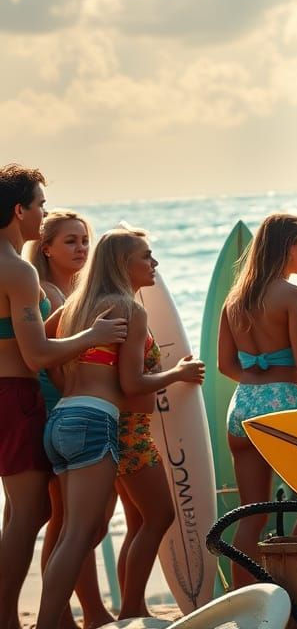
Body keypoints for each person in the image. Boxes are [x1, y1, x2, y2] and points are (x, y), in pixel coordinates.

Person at [36, 227, 204, 628]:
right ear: (122, 264)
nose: (154, 263)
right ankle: (101, 615)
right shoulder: (130, 308)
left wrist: (67, 386)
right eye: (146, 256)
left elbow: (42, 351)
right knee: (88, 534)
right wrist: (178, 373)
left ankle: (76, 617)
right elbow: (131, 385)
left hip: (63, 420)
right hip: (99, 423)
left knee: (75, 534)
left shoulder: (76, 305)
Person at [0, 165, 127, 629]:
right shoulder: (17, 271)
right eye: (39, 206)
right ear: (19, 210)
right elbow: (35, 356)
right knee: (28, 513)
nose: (43, 214)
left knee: (18, 511)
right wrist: (93, 334)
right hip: (15, 395)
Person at [218, 213, 297, 585]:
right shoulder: (294, 296)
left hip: (242, 406)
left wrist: (257, 380)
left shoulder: (235, 299)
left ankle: (246, 608)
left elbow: (225, 365)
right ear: (287, 246)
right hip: (286, 404)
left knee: (252, 514)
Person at [26, 210, 114, 629]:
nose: (81, 248)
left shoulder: (77, 293)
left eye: (84, 240)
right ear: (46, 248)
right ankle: (65, 616)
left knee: (77, 522)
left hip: (68, 410)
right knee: (68, 521)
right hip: (55, 410)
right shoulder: (47, 292)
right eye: (70, 241)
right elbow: (41, 357)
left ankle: (83, 612)